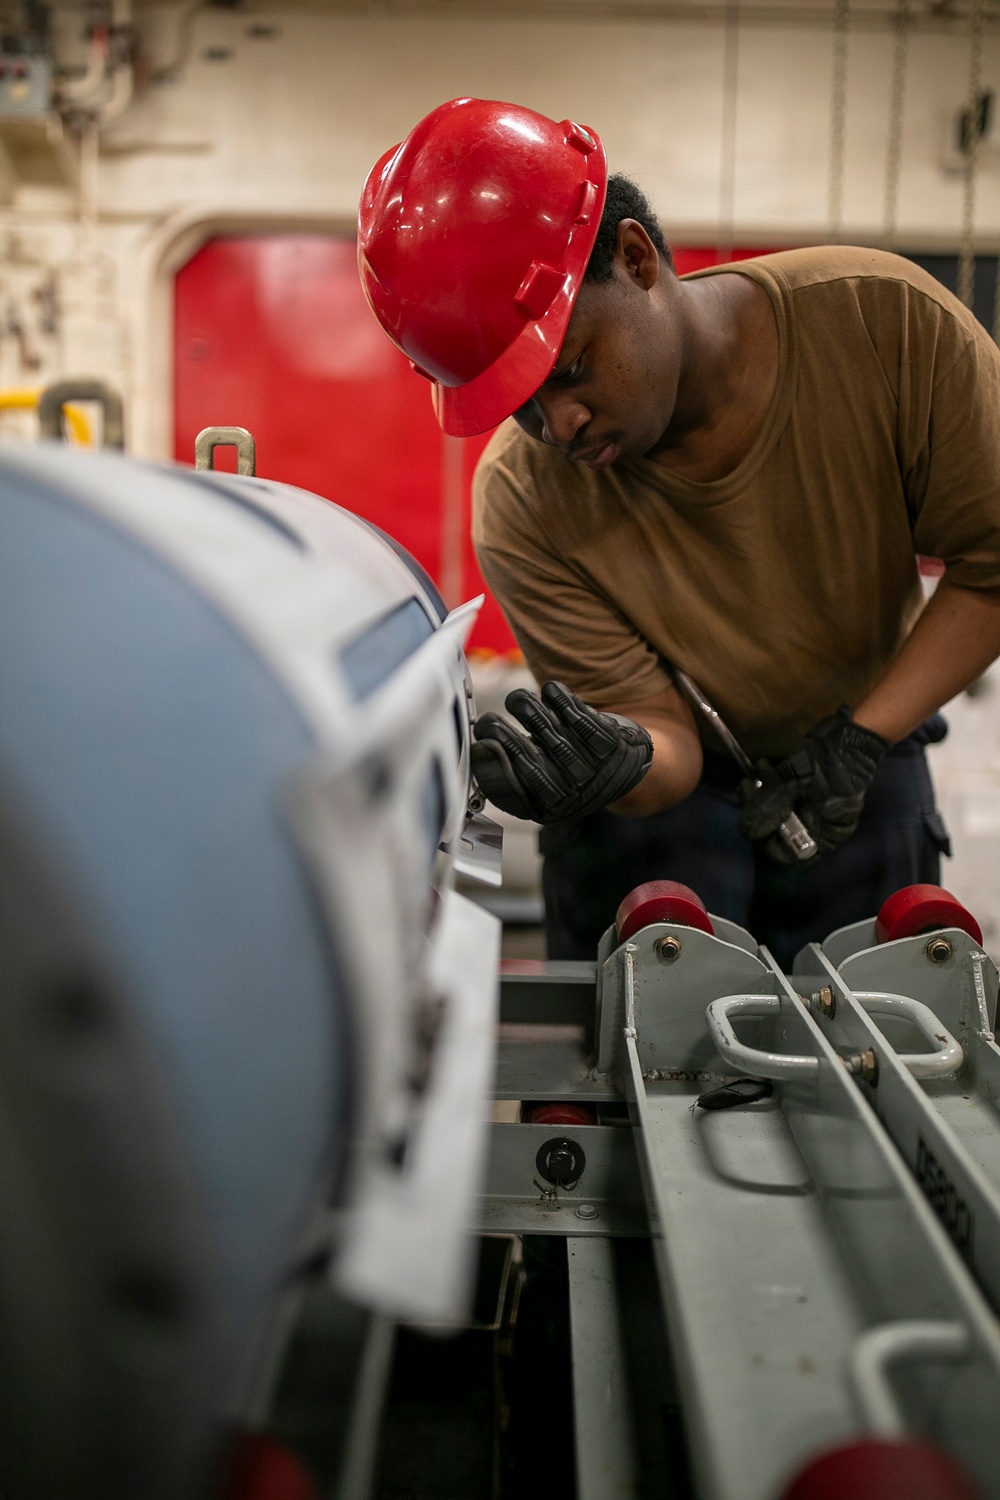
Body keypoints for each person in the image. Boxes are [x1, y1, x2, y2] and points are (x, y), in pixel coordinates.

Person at [358, 97, 1000, 968]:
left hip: (862, 747)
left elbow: (993, 566)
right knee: (641, 1058)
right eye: (521, 405)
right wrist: (622, 762)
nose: (564, 425)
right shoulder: (522, 499)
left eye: (572, 367)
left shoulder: (885, 329)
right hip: (672, 807)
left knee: (885, 1039)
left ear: (636, 259)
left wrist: (864, 738)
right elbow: (670, 743)